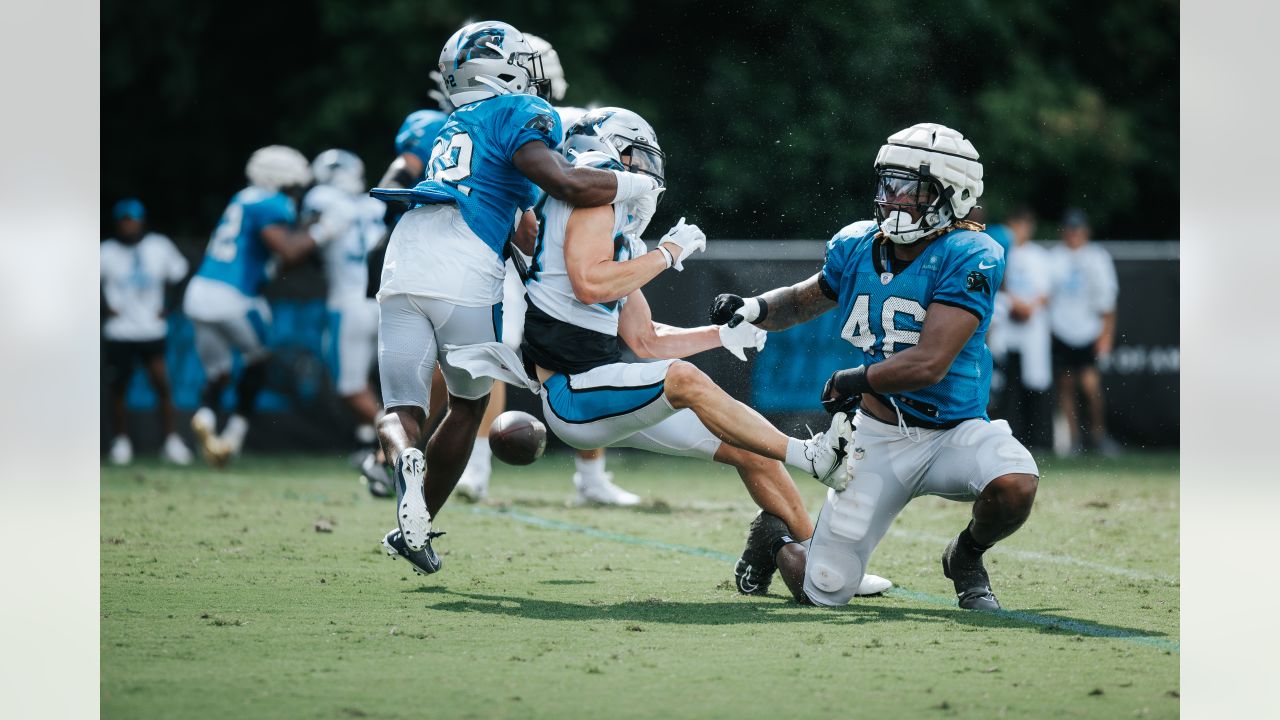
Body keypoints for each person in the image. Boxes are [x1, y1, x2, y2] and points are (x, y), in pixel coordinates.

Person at [445, 108, 885, 596]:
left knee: (750, 447)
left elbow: (645, 338)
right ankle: (811, 454)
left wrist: (719, 336)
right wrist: (667, 255)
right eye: (637, 158)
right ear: (614, 152)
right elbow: (589, 285)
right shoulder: (591, 206)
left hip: (601, 385)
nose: (645, 174)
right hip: (571, 394)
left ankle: (826, 565)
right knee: (682, 378)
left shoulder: (617, 236)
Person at [369, 20, 663, 568]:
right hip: (462, 264)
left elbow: (519, 222)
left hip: (404, 255)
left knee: (400, 407)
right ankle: (423, 521)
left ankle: (407, 473)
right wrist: (638, 184)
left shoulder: (450, 125)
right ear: (501, 68)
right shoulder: (519, 113)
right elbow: (566, 184)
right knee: (467, 405)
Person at [710, 123, 1040, 610]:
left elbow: (929, 363)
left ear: (956, 195)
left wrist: (854, 379)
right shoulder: (857, 244)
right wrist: (753, 307)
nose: (895, 200)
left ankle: (966, 556)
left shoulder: (972, 253)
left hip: (956, 432)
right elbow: (804, 300)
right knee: (823, 588)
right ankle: (776, 536)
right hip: (878, 439)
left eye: (913, 189)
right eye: (890, 184)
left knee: (1015, 482)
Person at [454, 32, 633, 507]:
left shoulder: (563, 121)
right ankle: (475, 467)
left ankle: (591, 475)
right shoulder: (517, 119)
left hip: (557, 267)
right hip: (516, 260)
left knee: (587, 360)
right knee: (496, 351)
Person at [183, 145, 329, 466]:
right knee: (258, 361)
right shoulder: (272, 203)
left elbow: (269, 258)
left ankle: (205, 418)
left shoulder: (243, 198)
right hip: (235, 299)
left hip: (198, 292)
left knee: (217, 371)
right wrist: (320, 232)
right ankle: (234, 437)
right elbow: (289, 251)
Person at [100, 198, 193, 465]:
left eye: (134, 220)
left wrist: (169, 306)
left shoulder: (159, 246)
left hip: (152, 329)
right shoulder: (105, 251)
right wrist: (104, 307)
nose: (129, 225)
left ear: (142, 221)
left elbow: (180, 275)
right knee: (118, 389)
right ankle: (121, 442)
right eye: (124, 220)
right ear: (118, 224)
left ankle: (171, 442)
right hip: (119, 331)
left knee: (162, 384)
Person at [304, 149, 387, 445]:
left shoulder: (321, 198)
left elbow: (307, 247)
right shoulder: (374, 204)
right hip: (385, 301)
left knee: (350, 388)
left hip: (347, 304)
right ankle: (370, 441)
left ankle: (399, 440)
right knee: (390, 381)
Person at [1048, 208, 1120, 456]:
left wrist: (1106, 334)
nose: (1074, 234)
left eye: (1077, 229)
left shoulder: (1097, 257)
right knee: (1066, 386)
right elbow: (1046, 295)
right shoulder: (1055, 258)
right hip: (1061, 329)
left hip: (1088, 330)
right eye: (1070, 229)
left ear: (1086, 231)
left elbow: (1108, 300)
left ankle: (1098, 435)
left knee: (1090, 386)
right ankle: (1074, 439)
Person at [993, 206, 1054, 447]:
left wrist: (1028, 306)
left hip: (1031, 328)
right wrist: (1014, 303)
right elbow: (1000, 283)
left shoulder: (1038, 256)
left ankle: (1038, 439)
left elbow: (1045, 291)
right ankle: (1008, 439)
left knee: (1034, 384)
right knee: (1007, 386)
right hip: (1007, 326)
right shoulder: (1001, 250)